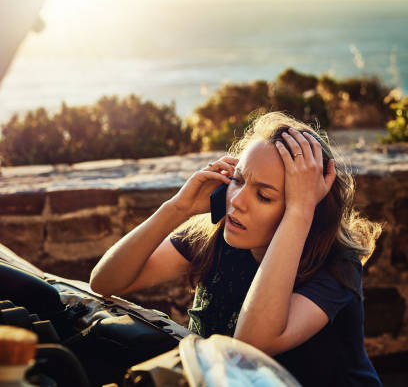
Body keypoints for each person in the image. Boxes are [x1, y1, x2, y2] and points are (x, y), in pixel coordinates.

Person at [90, 112, 382, 386]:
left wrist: (298, 212)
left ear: (307, 208)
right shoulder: (221, 234)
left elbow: (249, 347)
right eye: (238, 180)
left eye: (264, 196)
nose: (237, 201)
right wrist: (177, 208)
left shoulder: (336, 265)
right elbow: (106, 281)